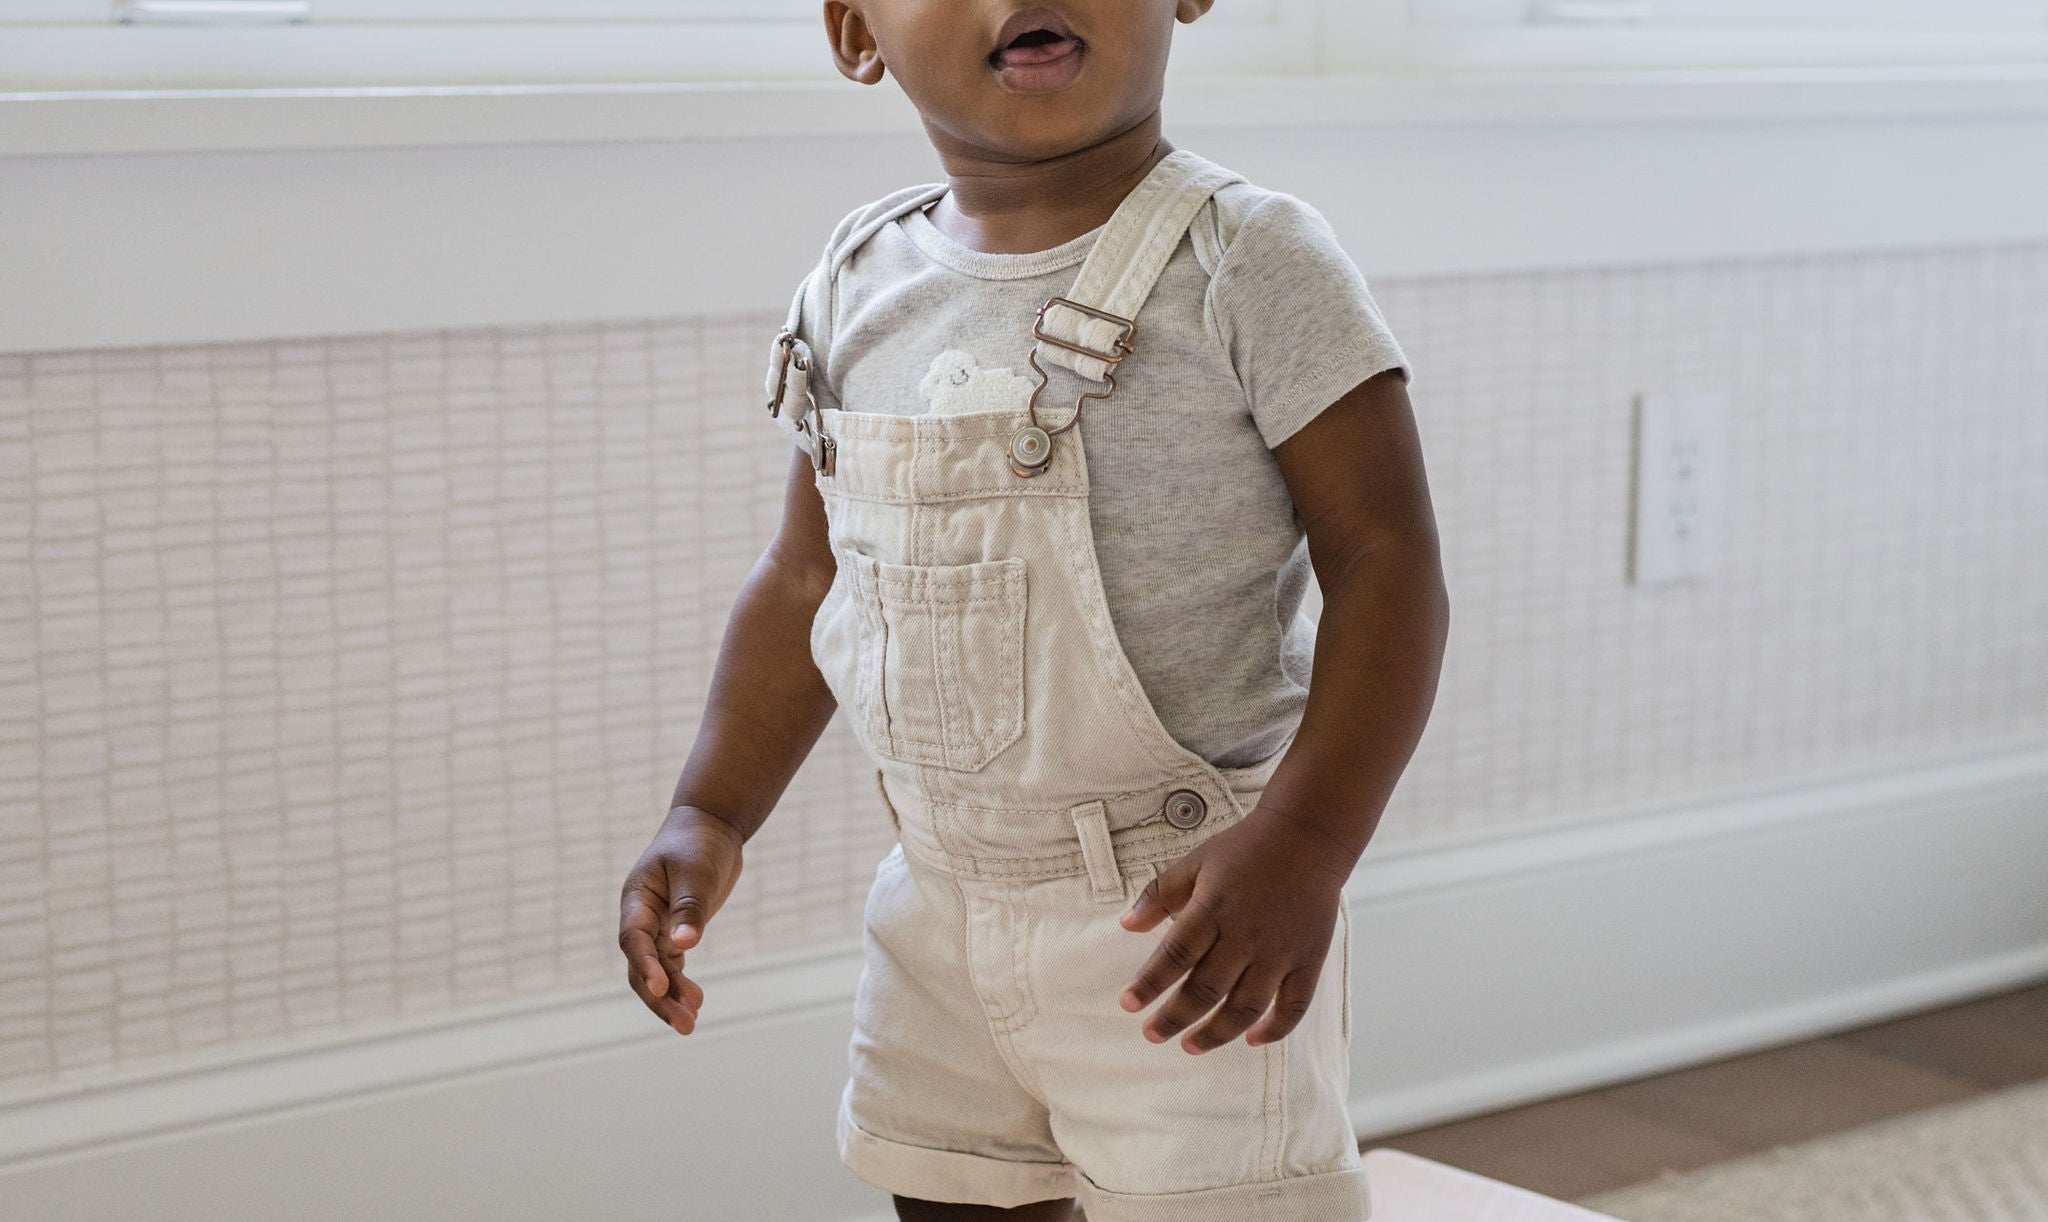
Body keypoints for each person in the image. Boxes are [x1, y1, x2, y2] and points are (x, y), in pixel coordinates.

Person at [618, 3, 1450, 1218]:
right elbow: (807, 577)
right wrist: (709, 807)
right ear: (855, 33)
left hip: (1188, 923)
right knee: (947, 1194)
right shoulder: (855, 281)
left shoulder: (1249, 261)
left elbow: (1386, 561)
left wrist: (1309, 846)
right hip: (936, 912)